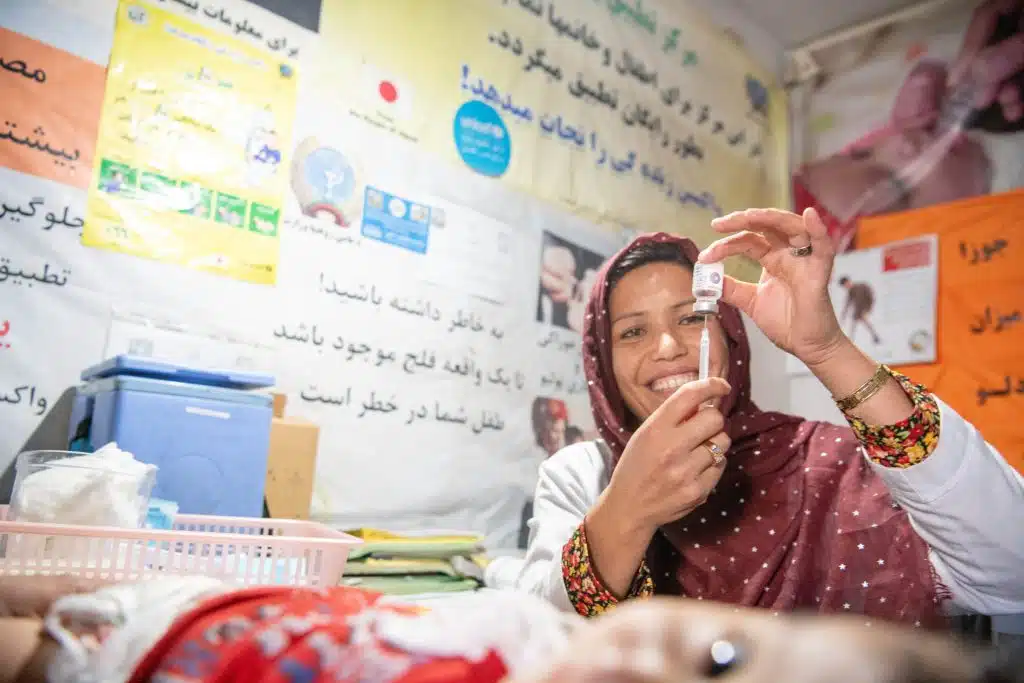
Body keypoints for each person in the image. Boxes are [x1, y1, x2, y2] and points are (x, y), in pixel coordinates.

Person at [515, 208, 1024, 625]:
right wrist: (627, 508)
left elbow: (1012, 573)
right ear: (602, 362)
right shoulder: (585, 477)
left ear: (731, 335)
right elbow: (536, 633)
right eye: (632, 332)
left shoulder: (829, 462)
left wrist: (826, 348)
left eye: (692, 318)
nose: (668, 348)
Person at [1, 574, 1020, 683]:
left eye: (688, 324)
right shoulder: (552, 627)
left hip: (129, 658)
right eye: (719, 662)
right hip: (198, 592)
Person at [838, 276, 881, 344]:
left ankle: (875, 336)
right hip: (860, 308)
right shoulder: (851, 292)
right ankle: (874, 336)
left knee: (859, 320)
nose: (845, 287)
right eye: (844, 286)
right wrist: (844, 314)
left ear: (848, 282)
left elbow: (868, 297)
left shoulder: (860, 287)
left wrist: (866, 308)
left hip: (865, 306)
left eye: (845, 285)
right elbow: (847, 304)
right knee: (856, 321)